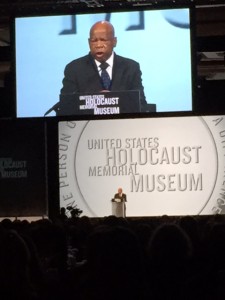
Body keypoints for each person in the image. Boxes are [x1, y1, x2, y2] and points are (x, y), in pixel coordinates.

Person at [60, 20, 147, 111]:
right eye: (94, 41)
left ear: (114, 41)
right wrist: (94, 101)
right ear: (89, 43)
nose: (98, 45)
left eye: (103, 40)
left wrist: (113, 101)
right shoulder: (74, 69)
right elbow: (66, 106)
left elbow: (140, 103)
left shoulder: (131, 68)